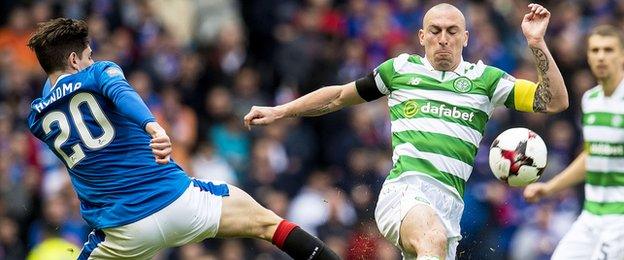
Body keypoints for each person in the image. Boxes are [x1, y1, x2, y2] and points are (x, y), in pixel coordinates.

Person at [245, 3, 568, 259]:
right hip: (405, 190)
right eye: (435, 30)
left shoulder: (487, 81)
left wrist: (536, 43)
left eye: (452, 31)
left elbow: (553, 101)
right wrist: (282, 110)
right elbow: (339, 96)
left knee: (435, 242)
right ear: (421, 36)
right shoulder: (399, 70)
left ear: (465, 37)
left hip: (449, 206)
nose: (444, 38)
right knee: (431, 239)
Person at [26, 18, 339, 260]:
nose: (92, 61)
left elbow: (57, 94)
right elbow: (120, 93)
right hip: (177, 202)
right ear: (74, 60)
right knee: (270, 225)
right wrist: (154, 127)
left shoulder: (37, 118)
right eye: (88, 56)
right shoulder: (99, 74)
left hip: (121, 233)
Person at [524, 24, 624, 260]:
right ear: (588, 55)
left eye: (608, 50)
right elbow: (591, 156)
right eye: (595, 50)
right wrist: (548, 188)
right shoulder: (591, 100)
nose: (601, 57)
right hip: (590, 216)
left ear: (622, 55)